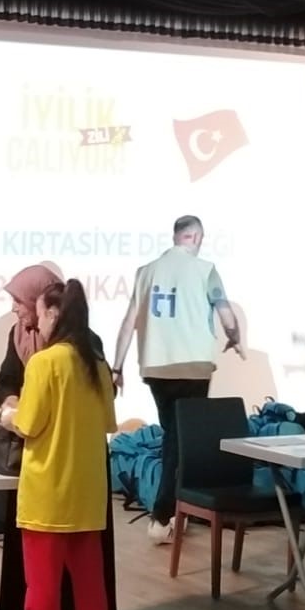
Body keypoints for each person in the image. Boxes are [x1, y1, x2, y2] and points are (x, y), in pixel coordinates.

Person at [0, 264, 117, 610]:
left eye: (19, 301)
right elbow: (107, 416)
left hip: (47, 477)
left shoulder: (49, 360)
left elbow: (29, 422)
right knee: (86, 577)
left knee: (42, 580)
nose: (15, 309)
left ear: (47, 308)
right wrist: (12, 397)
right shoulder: (79, 353)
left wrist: (13, 415)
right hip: (84, 478)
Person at [111, 215, 244, 543]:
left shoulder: (146, 271)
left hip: (157, 368)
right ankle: (165, 513)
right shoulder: (205, 270)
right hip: (193, 366)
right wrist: (234, 336)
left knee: (174, 435)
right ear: (195, 237)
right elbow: (225, 311)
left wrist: (117, 367)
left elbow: (129, 322)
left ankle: (172, 513)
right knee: (182, 440)